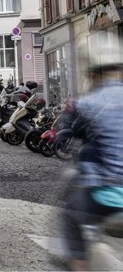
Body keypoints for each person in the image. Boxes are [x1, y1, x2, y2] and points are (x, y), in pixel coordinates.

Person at [61, 59, 123, 271]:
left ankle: (79, 263)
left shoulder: (87, 103)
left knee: (69, 216)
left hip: (102, 195)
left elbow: (67, 131)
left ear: (94, 76)